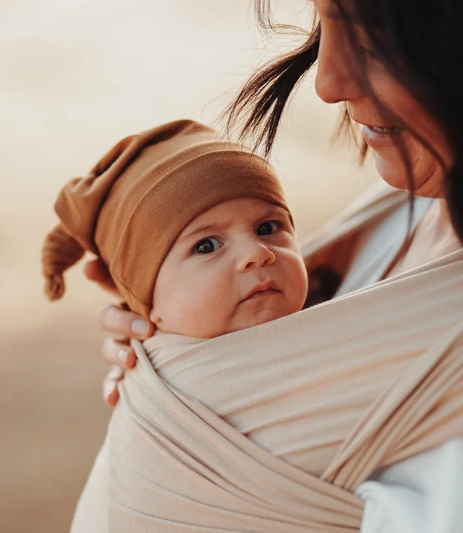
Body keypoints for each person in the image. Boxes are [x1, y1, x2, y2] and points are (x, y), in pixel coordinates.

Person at [84, 1, 463, 532]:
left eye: (373, 38)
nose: (326, 82)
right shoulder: (400, 205)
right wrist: (165, 358)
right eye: (322, 26)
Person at [42, 119, 307, 337]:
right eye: (207, 246)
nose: (257, 253)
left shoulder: (331, 319)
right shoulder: (166, 388)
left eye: (267, 228)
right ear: (148, 304)